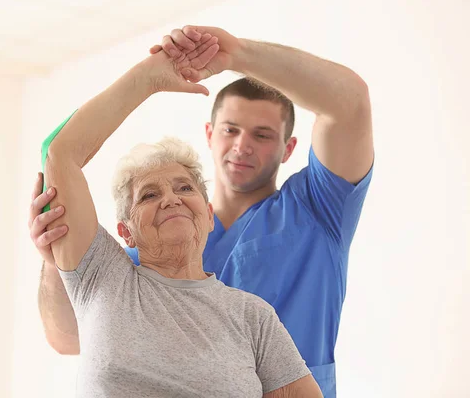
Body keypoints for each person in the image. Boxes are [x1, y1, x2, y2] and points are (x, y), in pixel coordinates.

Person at [31, 25, 373, 397]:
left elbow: (350, 103)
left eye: (261, 135)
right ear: (210, 133)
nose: (242, 145)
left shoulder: (316, 210)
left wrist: (236, 54)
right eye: (231, 130)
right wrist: (57, 256)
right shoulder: (145, 248)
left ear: (288, 148)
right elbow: (69, 337)